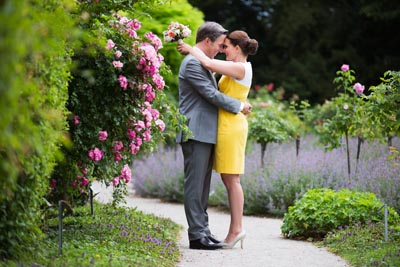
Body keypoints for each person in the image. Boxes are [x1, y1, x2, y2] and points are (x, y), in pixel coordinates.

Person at [178, 30, 259, 249]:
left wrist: (189, 48)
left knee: (232, 180)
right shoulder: (230, 67)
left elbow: (209, 65)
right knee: (226, 179)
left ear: (237, 48)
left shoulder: (240, 67)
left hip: (231, 126)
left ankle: (236, 229)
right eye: (221, 46)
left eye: (226, 47)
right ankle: (213, 231)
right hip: (221, 126)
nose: (223, 51)